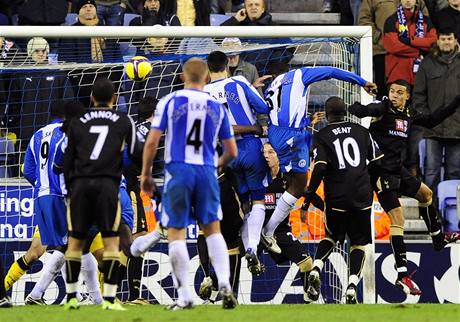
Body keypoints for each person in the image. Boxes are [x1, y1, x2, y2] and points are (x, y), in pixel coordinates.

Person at [140, 58, 238, 310]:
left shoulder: (170, 101)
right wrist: (216, 165)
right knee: (213, 230)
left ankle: (185, 296)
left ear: (183, 77)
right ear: (206, 77)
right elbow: (231, 152)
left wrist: (146, 173)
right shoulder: (217, 107)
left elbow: (152, 141)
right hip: (206, 171)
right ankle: (225, 284)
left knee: (176, 233)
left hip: (178, 170)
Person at [348, 79, 460, 295]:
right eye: (392, 91)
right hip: (380, 172)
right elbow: (363, 111)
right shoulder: (383, 107)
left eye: (400, 93)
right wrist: (356, 107)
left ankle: (437, 238)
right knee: (398, 219)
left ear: (407, 96)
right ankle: (402, 276)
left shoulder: (409, 113)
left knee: (426, 194)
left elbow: (433, 119)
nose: (395, 95)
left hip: (397, 169)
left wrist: (457, 101)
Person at [260, 61, 376, 254]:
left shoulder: (272, 86)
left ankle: (261, 226)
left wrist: (307, 120)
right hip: (293, 136)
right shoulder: (299, 74)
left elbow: (276, 112)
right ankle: (268, 231)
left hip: (275, 133)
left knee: (288, 181)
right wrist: (361, 81)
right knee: (300, 185)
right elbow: (330, 71)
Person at [62, 78, 137, 311]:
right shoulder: (124, 120)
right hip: (107, 185)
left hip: (82, 186)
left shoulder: (77, 122)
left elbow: (67, 160)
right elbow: (135, 154)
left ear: (91, 98)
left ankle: (72, 297)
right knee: (111, 243)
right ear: (114, 99)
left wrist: (70, 189)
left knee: (75, 242)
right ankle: (111, 300)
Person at [301, 96, 383, 304]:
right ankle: (352, 286)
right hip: (362, 196)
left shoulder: (322, 135)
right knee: (358, 244)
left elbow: (319, 167)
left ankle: (317, 267)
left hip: (337, 197)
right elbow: (377, 161)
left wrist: (308, 199)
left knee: (331, 236)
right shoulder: (362, 132)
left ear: (327, 115)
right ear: (345, 112)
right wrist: (371, 184)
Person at [204, 51, 269, 274]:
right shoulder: (239, 82)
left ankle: (244, 251)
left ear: (208, 68)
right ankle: (252, 247)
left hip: (226, 155)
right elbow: (263, 107)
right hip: (250, 147)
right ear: (228, 64)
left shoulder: (202, 95)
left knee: (244, 204)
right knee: (258, 201)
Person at [262, 142, 314, 303]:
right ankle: (215, 290)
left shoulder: (288, 179)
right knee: (233, 254)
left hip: (280, 232)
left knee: (307, 263)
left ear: (279, 156)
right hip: (255, 232)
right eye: (264, 153)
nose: (266, 156)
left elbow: (308, 192)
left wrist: (324, 209)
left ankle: (308, 297)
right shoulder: (255, 177)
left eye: (271, 152)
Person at [413, 28, 460, 196]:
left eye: (449, 38)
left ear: (455, 41)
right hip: (432, 129)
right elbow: (418, 95)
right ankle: (430, 211)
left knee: (454, 173)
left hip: (457, 129)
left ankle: (451, 214)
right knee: (430, 172)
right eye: (443, 39)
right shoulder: (427, 63)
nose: (446, 42)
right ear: (438, 41)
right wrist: (427, 118)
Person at [359, 0, 429, 99]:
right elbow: (364, 20)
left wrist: (415, 42)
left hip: (411, 54)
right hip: (382, 51)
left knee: (414, 90)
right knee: (383, 91)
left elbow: (425, 18)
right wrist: (379, 38)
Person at [383, 0, 437, 86]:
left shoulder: (426, 21)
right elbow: (393, 46)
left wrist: (411, 41)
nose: (407, 1)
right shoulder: (391, 20)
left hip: (421, 73)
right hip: (397, 73)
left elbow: (433, 43)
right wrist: (419, 51)